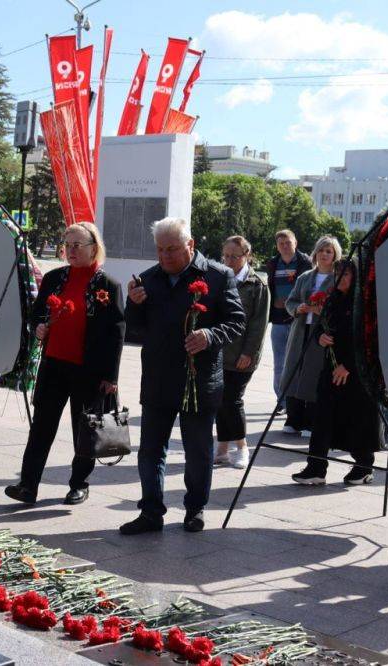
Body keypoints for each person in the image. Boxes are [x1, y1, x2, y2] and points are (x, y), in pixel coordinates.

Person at [121, 218, 246, 535]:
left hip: (199, 380)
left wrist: (209, 335)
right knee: (150, 451)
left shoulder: (218, 276)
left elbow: (236, 322)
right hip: (158, 378)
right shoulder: (148, 279)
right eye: (160, 250)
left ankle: (195, 509)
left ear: (190, 245)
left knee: (198, 450)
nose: (165, 256)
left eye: (172, 249)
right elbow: (134, 330)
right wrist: (133, 306)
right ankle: (150, 512)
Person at [4, 222, 125, 506]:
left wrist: (111, 376)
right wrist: (40, 328)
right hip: (54, 365)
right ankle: (28, 484)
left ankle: (79, 484)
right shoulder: (54, 278)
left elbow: (116, 334)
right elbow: (36, 316)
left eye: (77, 245)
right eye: (67, 245)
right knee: (41, 427)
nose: (70, 250)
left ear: (94, 249)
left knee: (83, 430)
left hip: (88, 370)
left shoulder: (108, 285)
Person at [292, 260, 380, 486]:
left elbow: (368, 340)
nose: (340, 277)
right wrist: (320, 337)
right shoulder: (332, 298)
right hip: (331, 369)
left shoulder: (364, 303)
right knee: (322, 417)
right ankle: (316, 467)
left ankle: (363, 466)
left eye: (346, 273)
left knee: (357, 418)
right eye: (338, 272)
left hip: (357, 374)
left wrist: (348, 365)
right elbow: (323, 326)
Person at [215, 236, 270, 469]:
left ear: (247, 255)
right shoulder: (219, 278)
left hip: (242, 354)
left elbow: (258, 324)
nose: (228, 260)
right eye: (225, 255)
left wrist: (249, 352)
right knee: (220, 399)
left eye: (234, 256)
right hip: (220, 351)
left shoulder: (257, 284)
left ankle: (242, 447)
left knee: (233, 399)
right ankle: (222, 449)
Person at [280, 236, 341, 436]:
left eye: (329, 251)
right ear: (315, 253)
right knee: (293, 371)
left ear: (335, 255)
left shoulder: (338, 279)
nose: (324, 254)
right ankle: (293, 418)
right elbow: (290, 302)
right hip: (299, 330)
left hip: (320, 333)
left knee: (313, 374)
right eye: (321, 250)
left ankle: (310, 421)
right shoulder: (304, 277)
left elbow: (339, 309)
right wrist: (299, 307)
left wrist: (321, 310)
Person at [264, 230, 312, 421]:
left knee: (297, 362)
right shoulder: (273, 263)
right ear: (277, 245)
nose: (284, 245)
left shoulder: (305, 263)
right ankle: (281, 401)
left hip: (298, 320)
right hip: (277, 319)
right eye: (281, 242)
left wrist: (290, 302)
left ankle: (296, 402)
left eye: (288, 242)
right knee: (279, 363)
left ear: (295, 243)